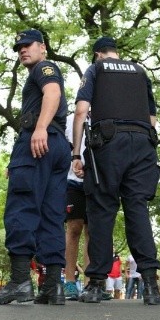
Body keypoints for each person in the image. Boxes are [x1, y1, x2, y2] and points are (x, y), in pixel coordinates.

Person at [70, 37, 160, 306]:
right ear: (117, 52)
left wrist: (76, 153)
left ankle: (97, 283)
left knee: (101, 209)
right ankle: (150, 286)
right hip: (143, 143)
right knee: (137, 208)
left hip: (109, 144)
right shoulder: (139, 71)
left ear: (98, 54)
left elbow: (80, 111)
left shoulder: (96, 69)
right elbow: (152, 118)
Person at [0, 29, 69, 306]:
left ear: (43, 47)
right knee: (52, 214)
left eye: (27, 45)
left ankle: (20, 282)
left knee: (22, 207)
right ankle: (53, 287)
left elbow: (53, 93)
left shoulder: (44, 67)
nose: (22, 50)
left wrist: (40, 128)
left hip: (40, 141)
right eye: (18, 47)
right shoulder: (39, 70)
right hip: (58, 147)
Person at [63, 113, 90, 300]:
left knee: (94, 231)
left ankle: (91, 283)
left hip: (97, 181)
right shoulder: (70, 119)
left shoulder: (106, 116)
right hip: (72, 181)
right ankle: (70, 282)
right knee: (74, 228)